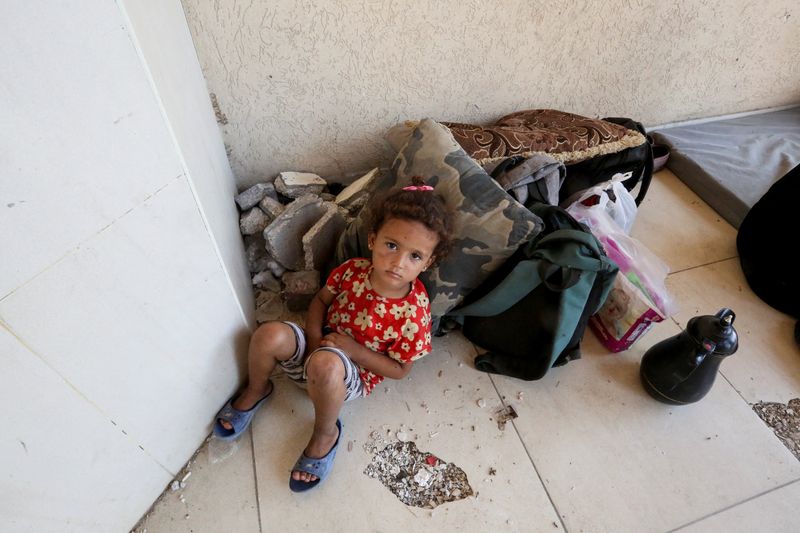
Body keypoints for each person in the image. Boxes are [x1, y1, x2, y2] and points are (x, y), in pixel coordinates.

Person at [213, 176, 454, 492]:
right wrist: (313, 341)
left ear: (428, 261)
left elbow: (399, 370)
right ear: (373, 240)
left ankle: (326, 433)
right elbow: (321, 301)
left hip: (351, 373)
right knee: (268, 335)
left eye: (414, 256)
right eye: (391, 245)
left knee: (326, 365)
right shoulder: (353, 270)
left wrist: (352, 351)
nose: (398, 263)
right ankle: (258, 389)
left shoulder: (415, 309)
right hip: (320, 347)